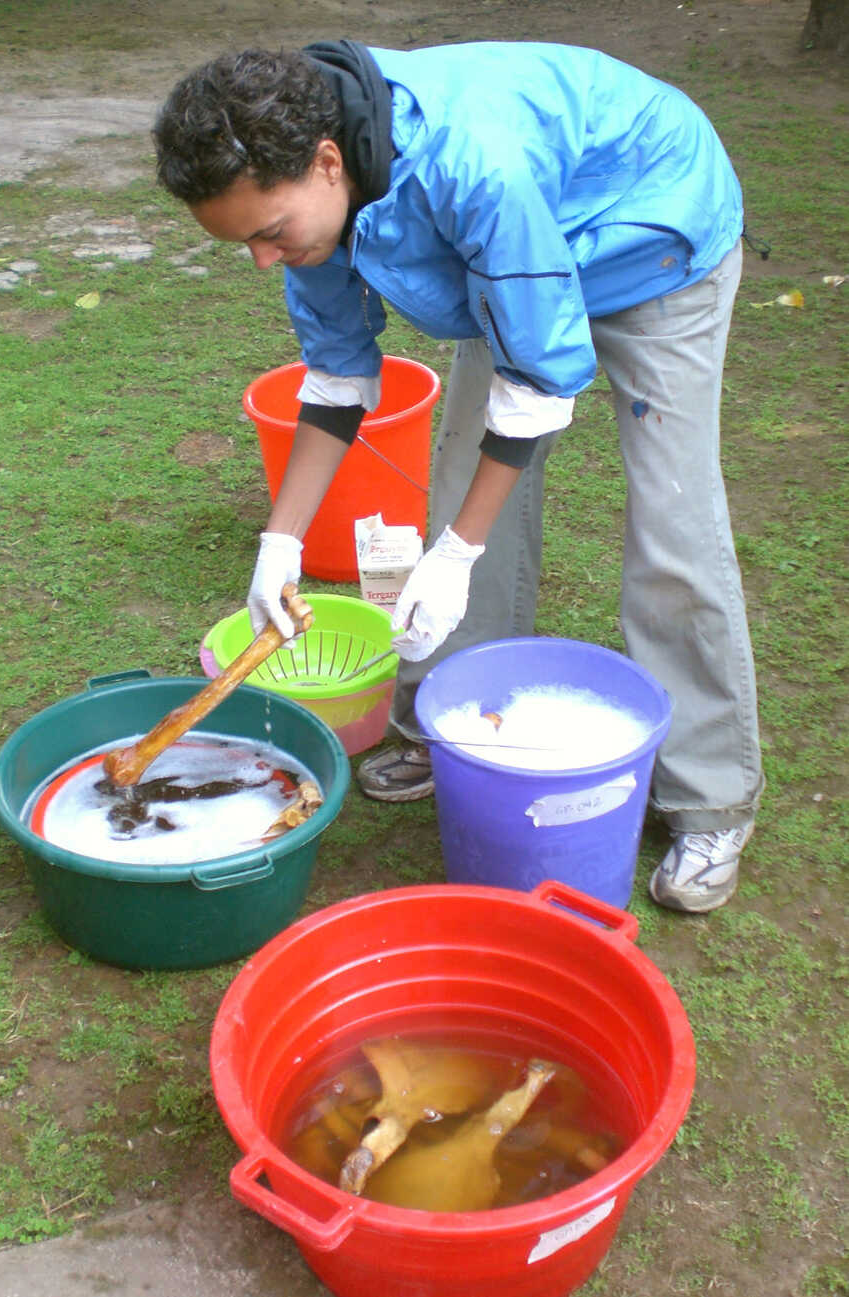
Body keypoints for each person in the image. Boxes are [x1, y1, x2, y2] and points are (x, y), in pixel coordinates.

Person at [153, 39, 764, 913]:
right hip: (513, 251)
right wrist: (278, 542)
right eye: (241, 241)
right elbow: (336, 379)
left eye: (268, 233)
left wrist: (454, 554)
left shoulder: (475, 167)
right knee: (460, 496)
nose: (261, 259)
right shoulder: (312, 193)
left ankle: (709, 797)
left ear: (328, 163)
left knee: (672, 520)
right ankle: (452, 733)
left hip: (650, 237)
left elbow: (539, 380)